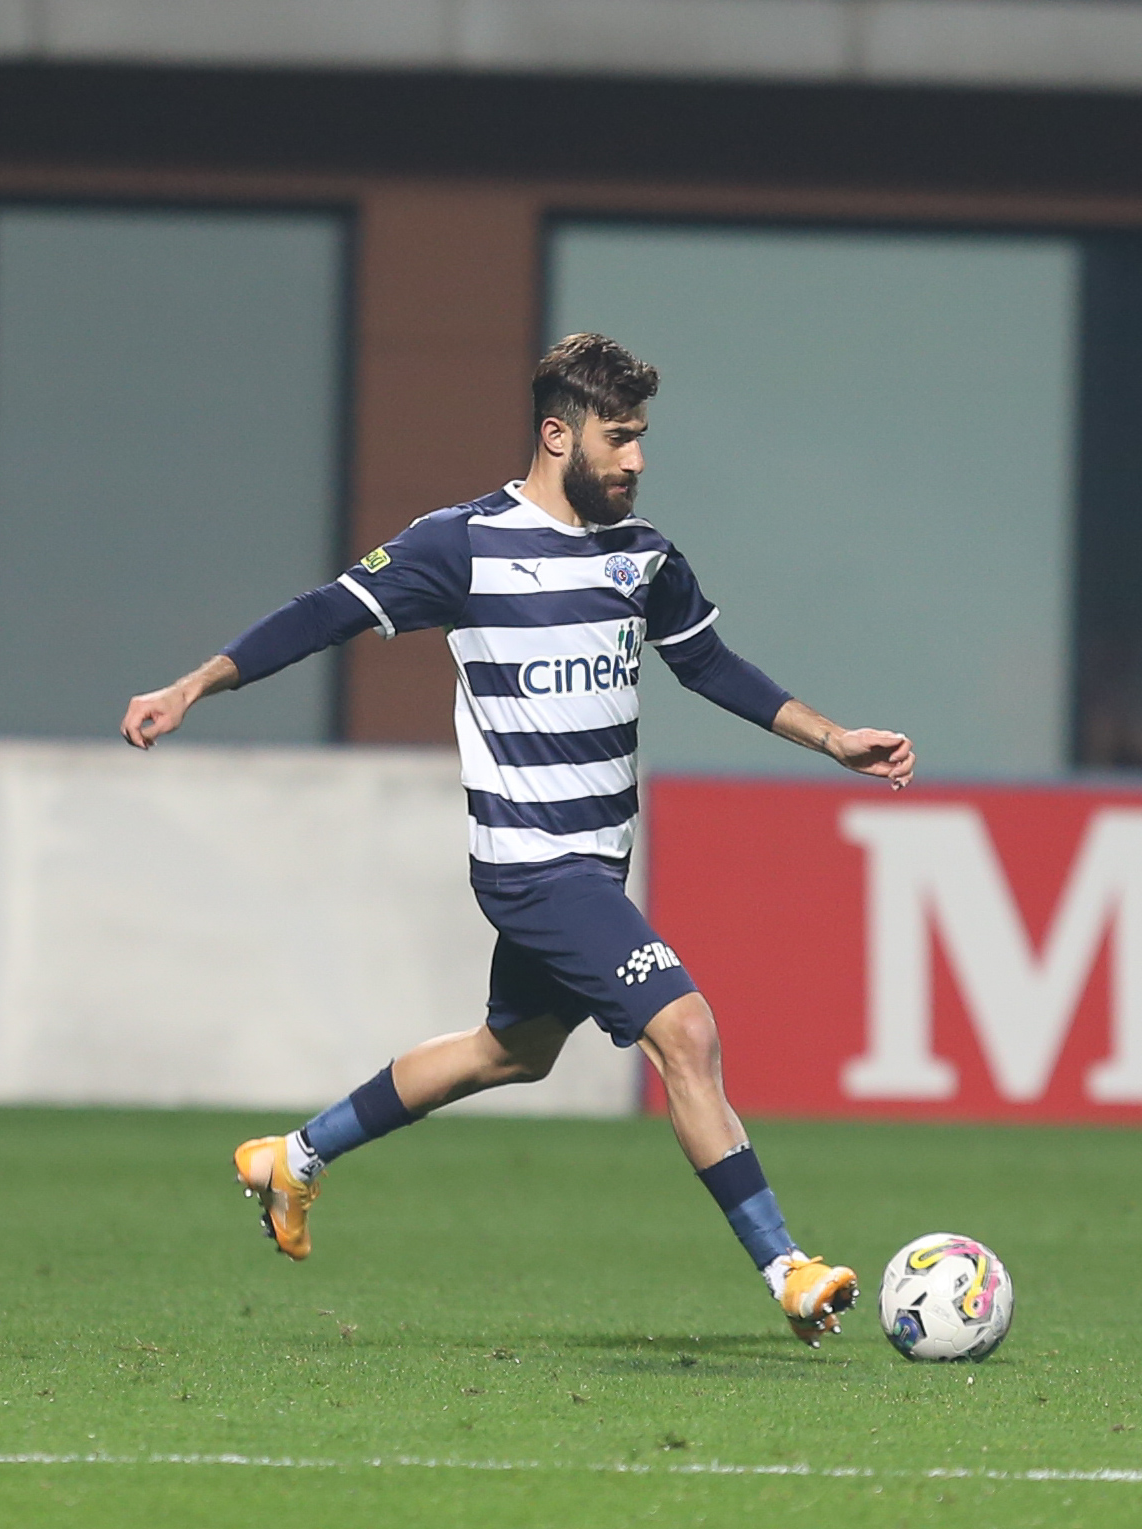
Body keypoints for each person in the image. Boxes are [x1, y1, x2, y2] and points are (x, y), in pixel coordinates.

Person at [121, 333, 915, 1345]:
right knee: (686, 1031)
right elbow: (321, 615)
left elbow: (710, 665)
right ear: (557, 434)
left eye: (641, 437)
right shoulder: (461, 546)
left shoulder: (643, 556)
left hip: (597, 862)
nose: (636, 459)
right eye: (618, 437)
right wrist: (194, 684)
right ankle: (785, 1267)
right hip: (532, 866)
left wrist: (832, 738)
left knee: (512, 1052)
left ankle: (294, 1158)